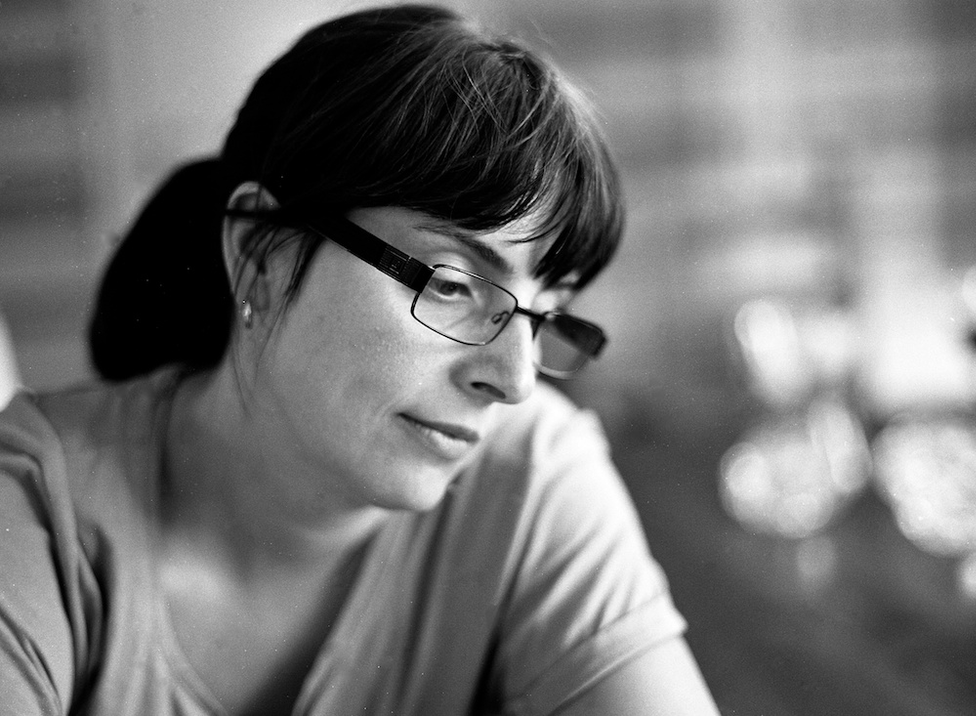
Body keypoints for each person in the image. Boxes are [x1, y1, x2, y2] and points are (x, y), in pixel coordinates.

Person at [0, 4, 720, 715]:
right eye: (451, 284)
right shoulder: (39, 510)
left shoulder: (527, 474)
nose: (514, 381)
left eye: (545, 317)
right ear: (262, 257)